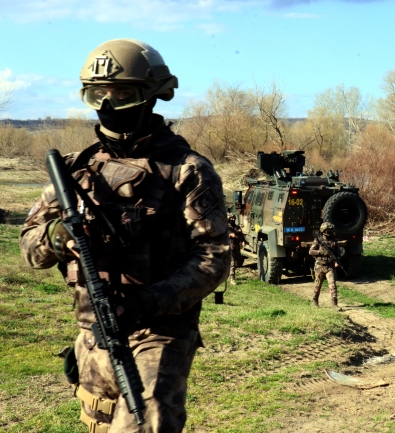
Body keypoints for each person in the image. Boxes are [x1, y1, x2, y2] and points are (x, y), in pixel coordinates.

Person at [19, 39, 230, 432]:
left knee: (144, 424)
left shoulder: (186, 170)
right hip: (94, 329)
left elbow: (213, 259)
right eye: (97, 94)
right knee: (97, 422)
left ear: (152, 96)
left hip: (159, 330)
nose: (108, 105)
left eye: (122, 94)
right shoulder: (75, 170)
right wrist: (57, 233)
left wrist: (148, 301)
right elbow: (30, 249)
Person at [309, 222, 341, 310]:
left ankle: (334, 304)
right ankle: (315, 302)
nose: (330, 232)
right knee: (317, 285)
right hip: (319, 266)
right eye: (328, 230)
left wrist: (337, 260)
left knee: (332, 285)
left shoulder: (334, 241)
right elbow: (311, 251)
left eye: (331, 230)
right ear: (323, 231)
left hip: (330, 267)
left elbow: (338, 253)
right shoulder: (318, 240)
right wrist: (321, 252)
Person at [227, 212, 244, 285]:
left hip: (236, 247)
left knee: (237, 262)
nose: (232, 219)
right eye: (231, 218)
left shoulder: (237, 227)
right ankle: (232, 278)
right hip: (229, 247)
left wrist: (243, 241)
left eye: (233, 218)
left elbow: (241, 235)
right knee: (232, 263)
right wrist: (229, 234)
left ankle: (228, 273)